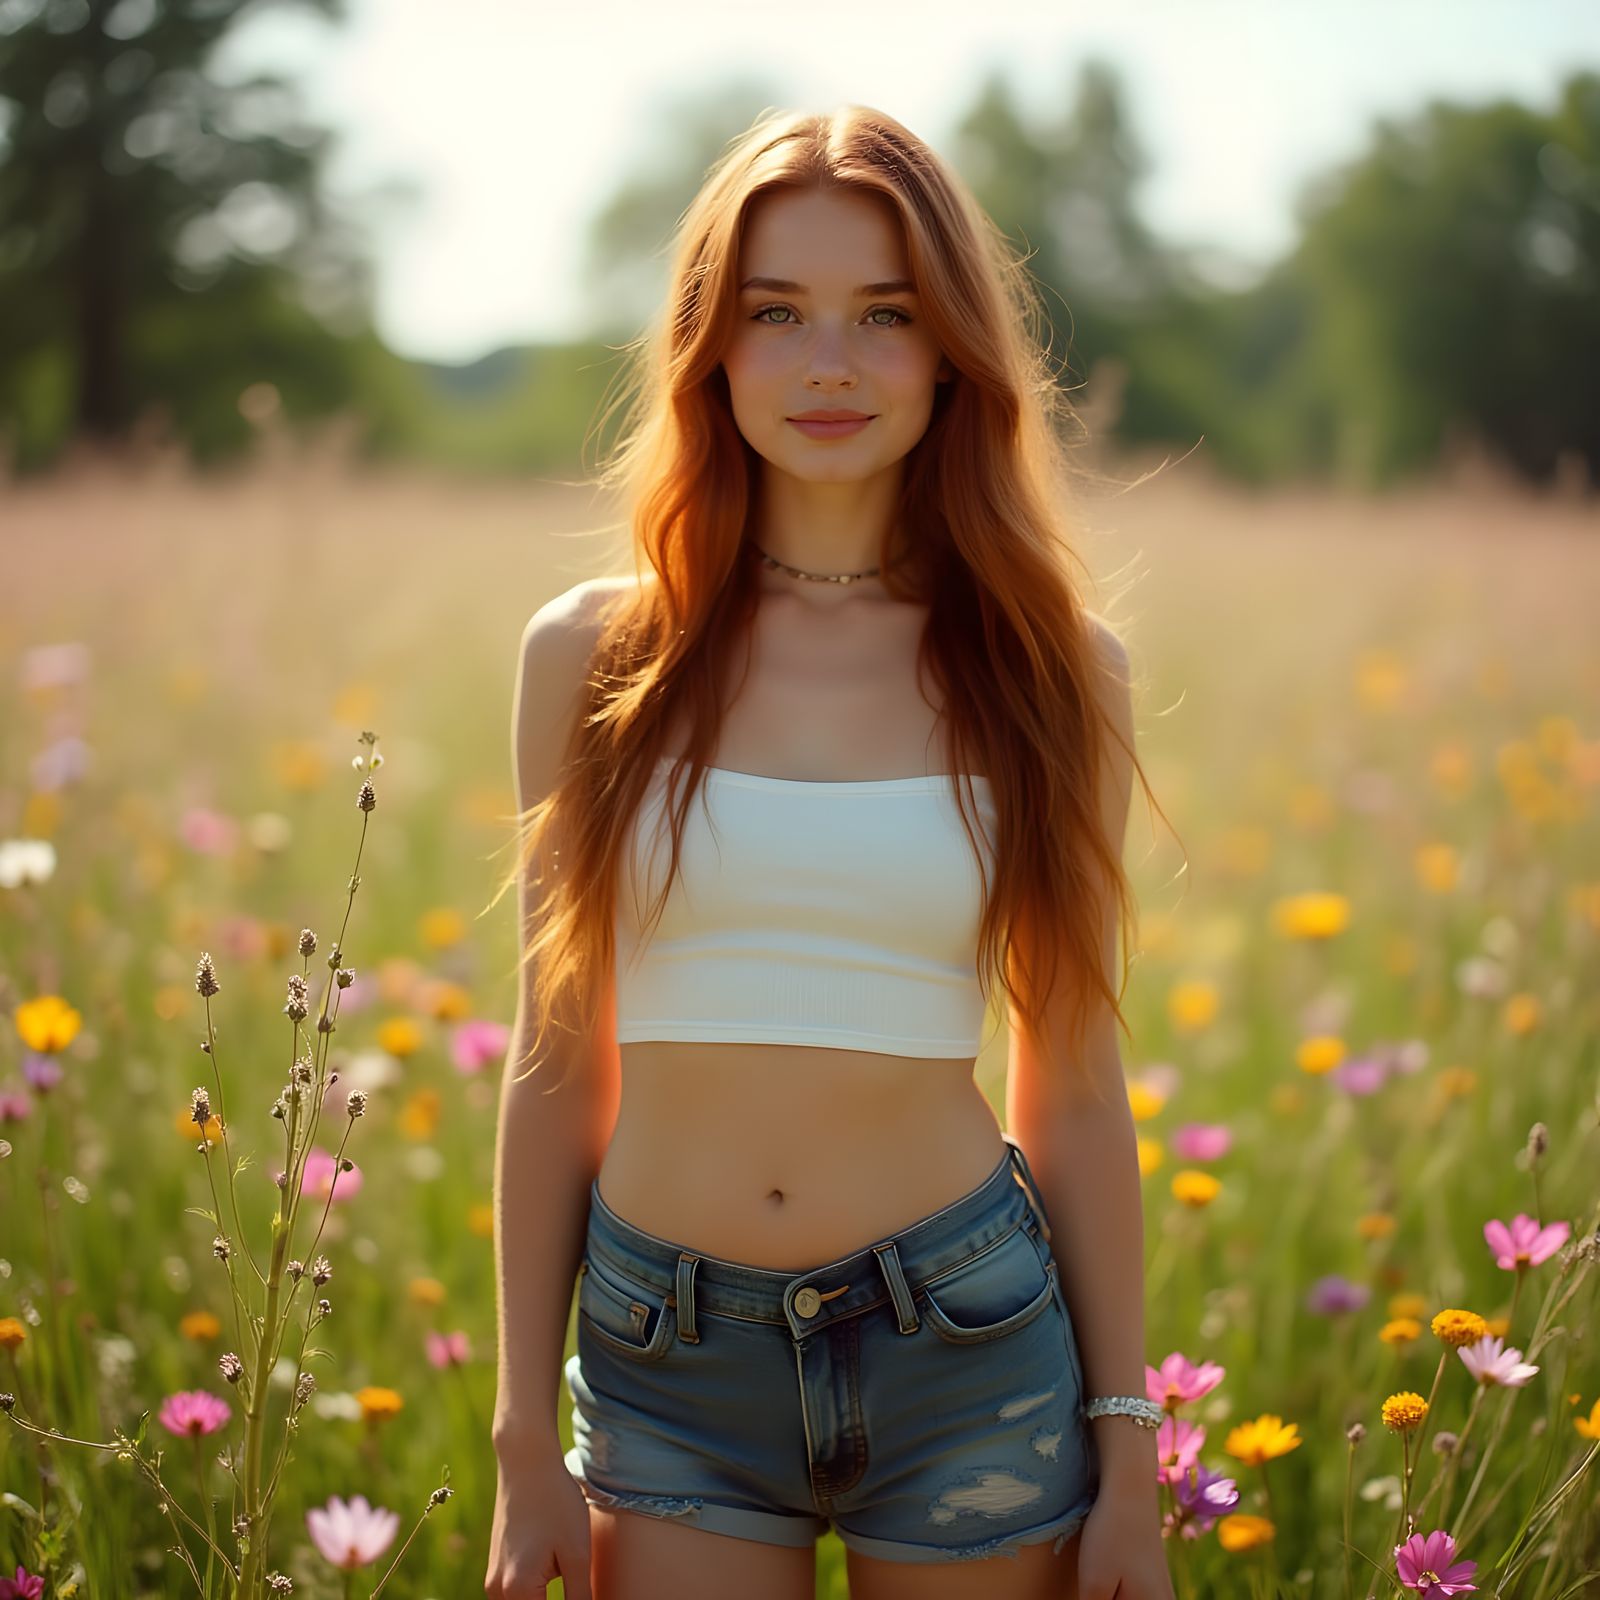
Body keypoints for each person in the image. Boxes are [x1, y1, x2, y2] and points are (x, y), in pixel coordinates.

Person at [484, 105, 1177, 1600]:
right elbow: (553, 1058)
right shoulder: (594, 656)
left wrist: (1132, 1451)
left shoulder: (1054, 667)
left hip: (967, 1341)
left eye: (885, 315)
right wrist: (520, 1436)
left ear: (950, 355)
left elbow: (1073, 1076)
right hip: (670, 1356)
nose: (829, 365)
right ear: (709, 351)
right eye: (776, 314)